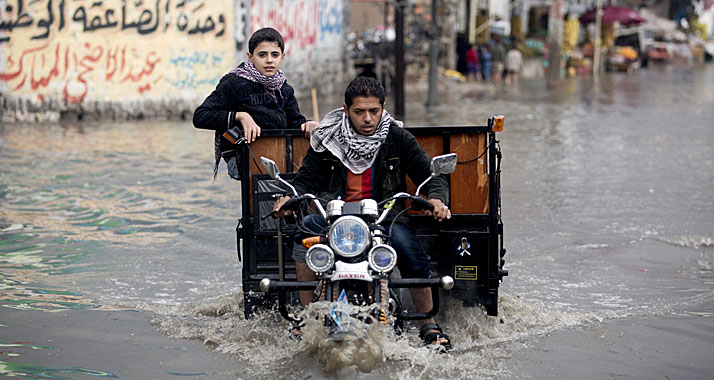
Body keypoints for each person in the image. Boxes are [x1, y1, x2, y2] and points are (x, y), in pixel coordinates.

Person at [273, 77, 453, 350]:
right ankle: (306, 318)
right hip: (335, 217)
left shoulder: (397, 138)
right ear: (346, 110)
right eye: (359, 112)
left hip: (385, 217)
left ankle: (428, 322)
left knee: (411, 253)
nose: (367, 118)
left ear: (383, 108)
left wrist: (437, 200)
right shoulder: (328, 138)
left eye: (374, 111)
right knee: (304, 233)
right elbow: (306, 180)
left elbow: (431, 176)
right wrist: (289, 198)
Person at [193, 27, 319, 179]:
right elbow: (200, 116)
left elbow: (294, 121)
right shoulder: (233, 83)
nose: (269, 60)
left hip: (279, 156)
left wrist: (308, 125)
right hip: (242, 157)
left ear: (282, 57)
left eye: (275, 55)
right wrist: (239, 116)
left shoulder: (284, 89)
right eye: (262, 55)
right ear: (250, 57)